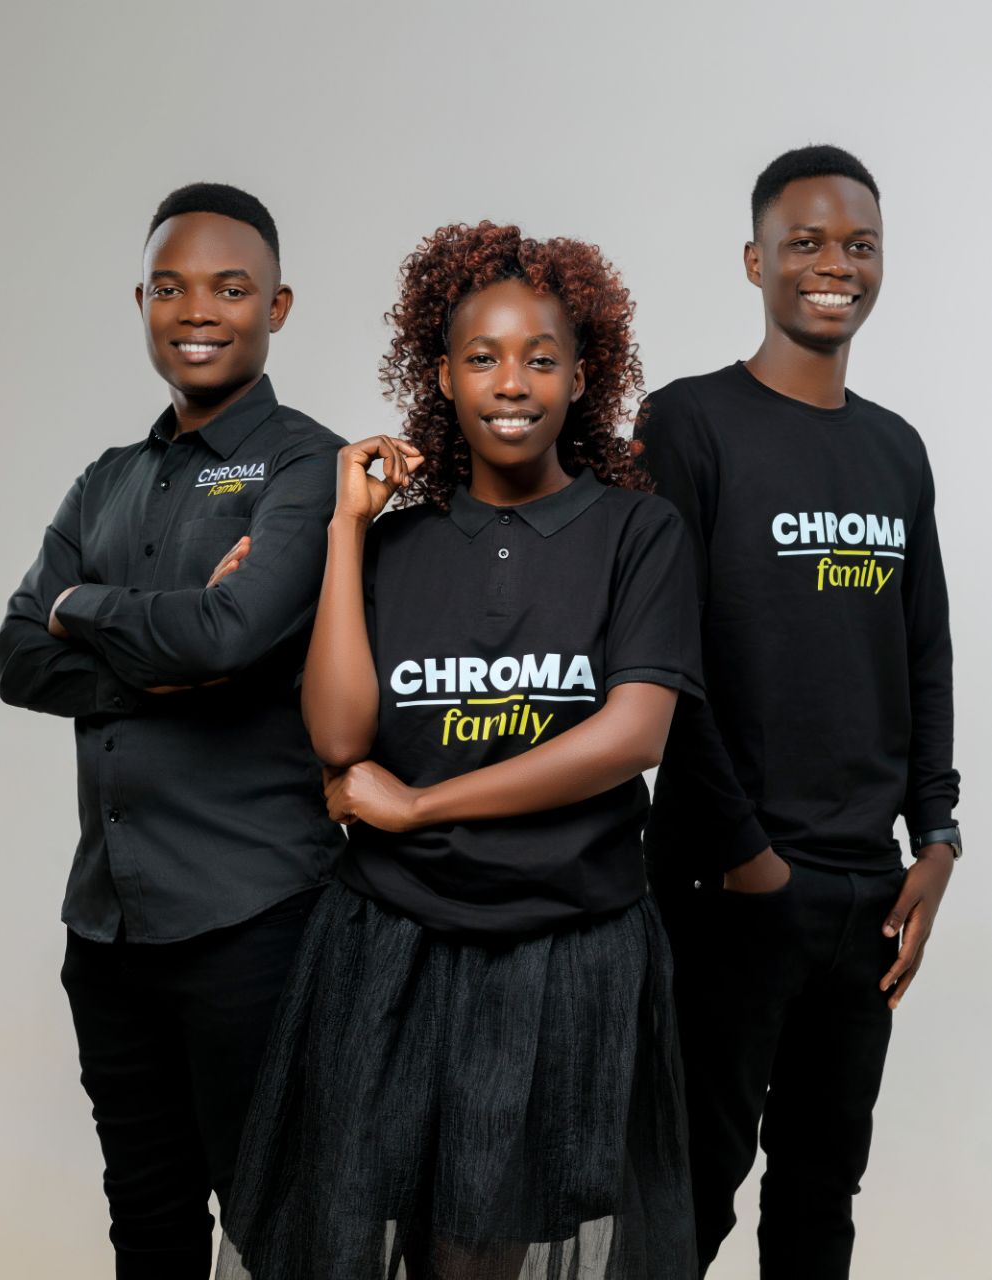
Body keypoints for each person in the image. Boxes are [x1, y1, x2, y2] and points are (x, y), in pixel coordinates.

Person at [217, 222, 704, 1280]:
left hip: (564, 951)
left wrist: (421, 805)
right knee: (368, 1242)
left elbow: (633, 735)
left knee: (482, 1254)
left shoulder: (637, 534)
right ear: (441, 375)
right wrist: (346, 530)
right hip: (389, 949)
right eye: (481, 356)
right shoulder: (393, 544)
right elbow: (338, 737)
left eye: (540, 357)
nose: (510, 383)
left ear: (582, 375)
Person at [0, 182, 346, 1279]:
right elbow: (15, 657)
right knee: (146, 1230)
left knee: (281, 1233)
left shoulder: (307, 467)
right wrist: (176, 652)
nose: (197, 311)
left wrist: (82, 606)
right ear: (140, 301)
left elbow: (230, 634)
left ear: (277, 307)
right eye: (169, 287)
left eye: (230, 289)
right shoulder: (105, 480)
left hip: (255, 922)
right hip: (106, 934)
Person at [634, 146, 961, 1279]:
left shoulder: (894, 448)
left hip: (864, 891)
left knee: (821, 1195)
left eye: (858, 245)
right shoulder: (685, 423)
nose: (835, 265)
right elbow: (663, 662)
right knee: (681, 1198)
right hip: (727, 886)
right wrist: (746, 858)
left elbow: (922, 650)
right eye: (806, 242)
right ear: (754, 260)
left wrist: (936, 833)